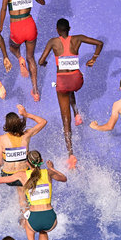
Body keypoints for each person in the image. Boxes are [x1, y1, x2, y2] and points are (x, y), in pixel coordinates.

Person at [38, 18, 104, 169]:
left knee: (65, 121)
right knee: (70, 88)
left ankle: (71, 154)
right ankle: (77, 113)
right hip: (77, 80)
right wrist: (93, 59)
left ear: (57, 30)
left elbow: (41, 60)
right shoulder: (78, 38)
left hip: (62, 82)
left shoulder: (53, 42)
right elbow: (99, 43)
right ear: (69, 28)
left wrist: (45, 63)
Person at [0, 0, 45, 101]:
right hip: (29, 25)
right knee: (31, 57)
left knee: (13, 47)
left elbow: (3, 9)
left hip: (16, 27)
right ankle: (36, 91)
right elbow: (42, 2)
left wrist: (1, 26)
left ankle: (19, 58)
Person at [0, 105, 47, 212]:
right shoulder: (27, 135)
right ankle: (27, 217)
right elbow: (43, 122)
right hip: (25, 175)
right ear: (19, 123)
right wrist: (26, 114)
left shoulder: (2, 139)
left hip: (9, 177)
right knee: (23, 190)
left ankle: (23, 213)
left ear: (6, 126)